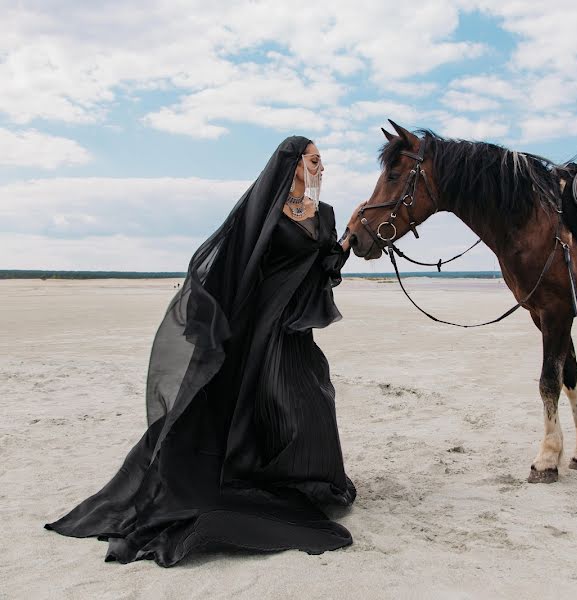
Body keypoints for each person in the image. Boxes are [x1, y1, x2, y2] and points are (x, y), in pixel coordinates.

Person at [45, 136, 355, 567]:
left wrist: (350, 236)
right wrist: (214, 322)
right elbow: (234, 264)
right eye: (314, 160)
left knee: (314, 394)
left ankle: (314, 481)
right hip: (261, 323)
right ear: (293, 165)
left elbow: (325, 267)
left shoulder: (326, 214)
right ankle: (272, 477)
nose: (322, 167)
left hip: (294, 324)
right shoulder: (265, 208)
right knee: (275, 399)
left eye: (323, 161)